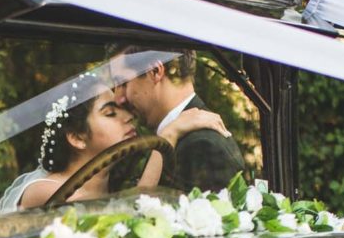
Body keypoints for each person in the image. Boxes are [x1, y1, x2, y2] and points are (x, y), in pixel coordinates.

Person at [13, 77, 227, 212]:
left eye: (123, 110)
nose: (127, 117)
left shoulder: (120, 185)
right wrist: (169, 133)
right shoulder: (44, 192)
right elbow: (129, 217)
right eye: (110, 113)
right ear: (77, 137)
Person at [107, 45, 247, 192]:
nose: (118, 99)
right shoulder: (178, 139)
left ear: (155, 71)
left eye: (123, 83)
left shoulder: (202, 146)